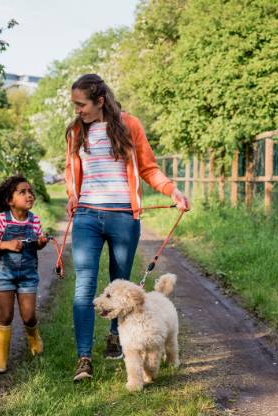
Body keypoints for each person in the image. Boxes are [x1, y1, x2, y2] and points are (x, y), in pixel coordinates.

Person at [64, 74, 189, 382]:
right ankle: (84, 358)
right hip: (87, 217)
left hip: (123, 217)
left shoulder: (129, 125)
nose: (77, 110)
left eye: (81, 104)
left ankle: (115, 335)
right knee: (84, 285)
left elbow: (148, 168)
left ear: (100, 101)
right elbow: (71, 169)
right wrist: (72, 195)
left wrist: (172, 191)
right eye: (75, 104)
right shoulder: (76, 130)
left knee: (119, 283)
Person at [0, 176, 49, 373]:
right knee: (6, 314)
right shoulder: (1, 219)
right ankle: (1, 355)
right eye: (22, 192)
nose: (29, 195)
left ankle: (33, 336)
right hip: (4, 273)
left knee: (28, 316)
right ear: (10, 200)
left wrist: (41, 243)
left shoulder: (34, 220)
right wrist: (6, 244)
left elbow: (36, 244)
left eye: (30, 192)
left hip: (28, 274)